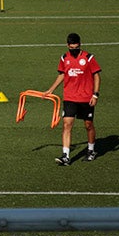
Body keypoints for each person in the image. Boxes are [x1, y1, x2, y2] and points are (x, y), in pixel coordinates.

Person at [44, 33, 101, 165]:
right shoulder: (64, 58)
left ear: (80, 45)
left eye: (76, 48)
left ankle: (91, 150)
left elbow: (96, 76)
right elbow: (62, 74)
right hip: (70, 97)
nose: (73, 50)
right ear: (67, 46)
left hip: (86, 98)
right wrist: (50, 90)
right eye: (71, 48)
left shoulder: (88, 58)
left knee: (88, 125)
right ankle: (66, 156)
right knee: (67, 124)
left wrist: (95, 94)